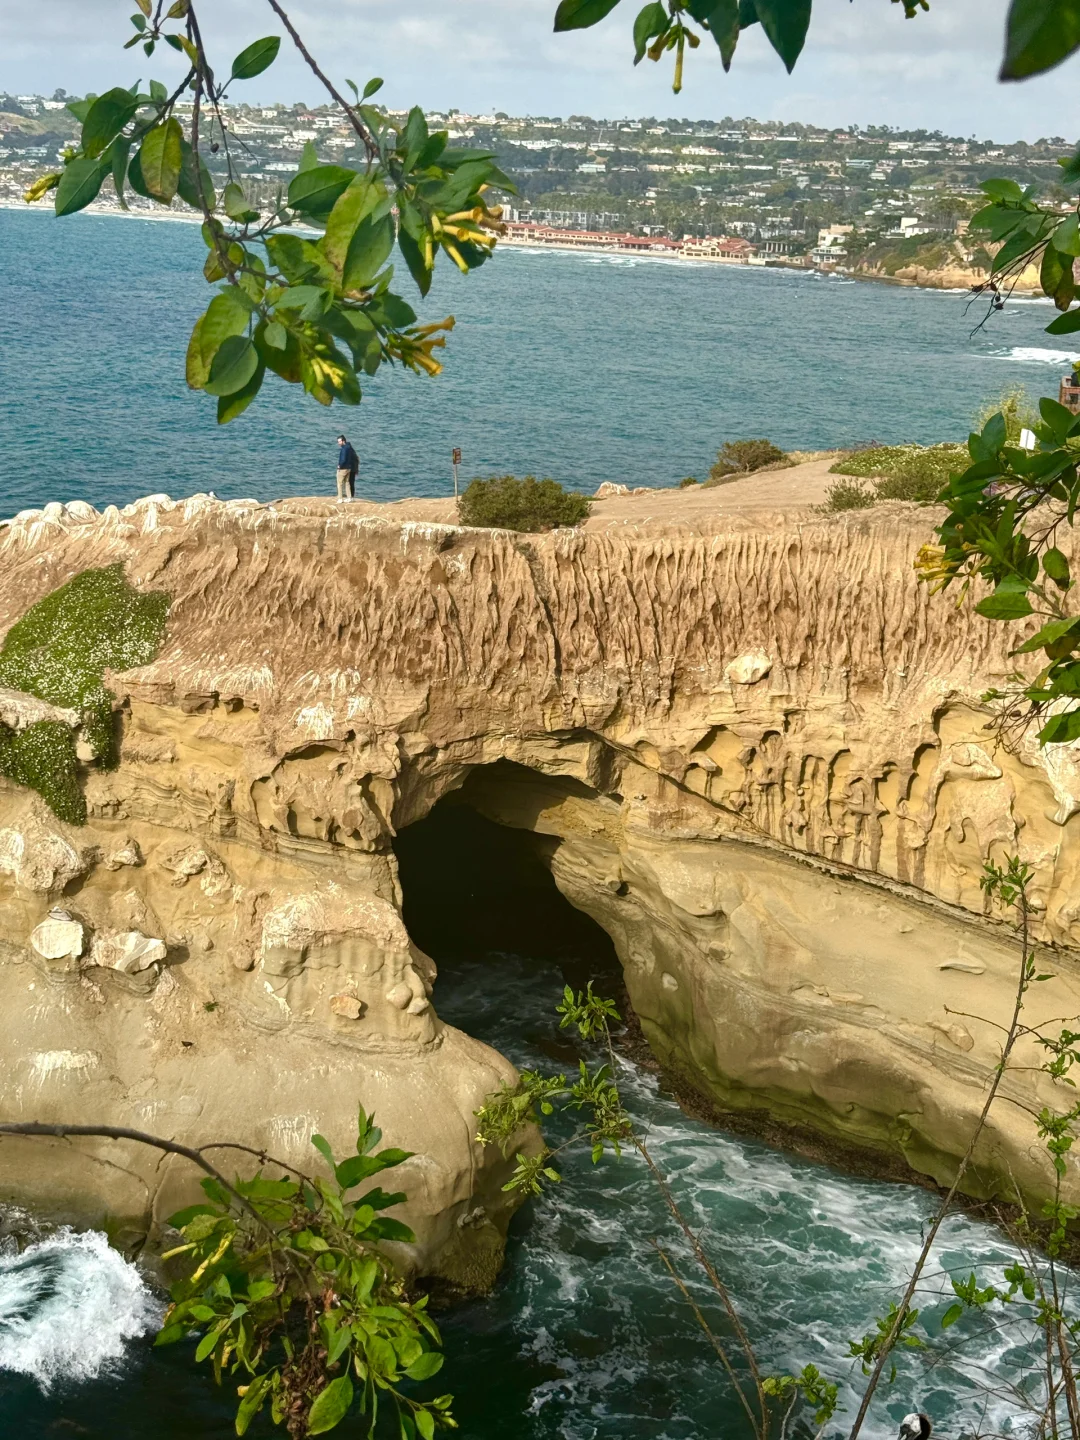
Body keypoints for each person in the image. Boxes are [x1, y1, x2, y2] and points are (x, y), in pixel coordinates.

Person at [335, 435, 359, 501]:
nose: (338, 443)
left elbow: (343, 459)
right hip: (350, 467)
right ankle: (350, 497)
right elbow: (355, 458)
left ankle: (340, 498)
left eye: (339, 441)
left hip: (345, 468)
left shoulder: (344, 449)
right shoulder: (349, 448)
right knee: (348, 482)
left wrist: (339, 466)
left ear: (343, 441)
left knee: (340, 483)